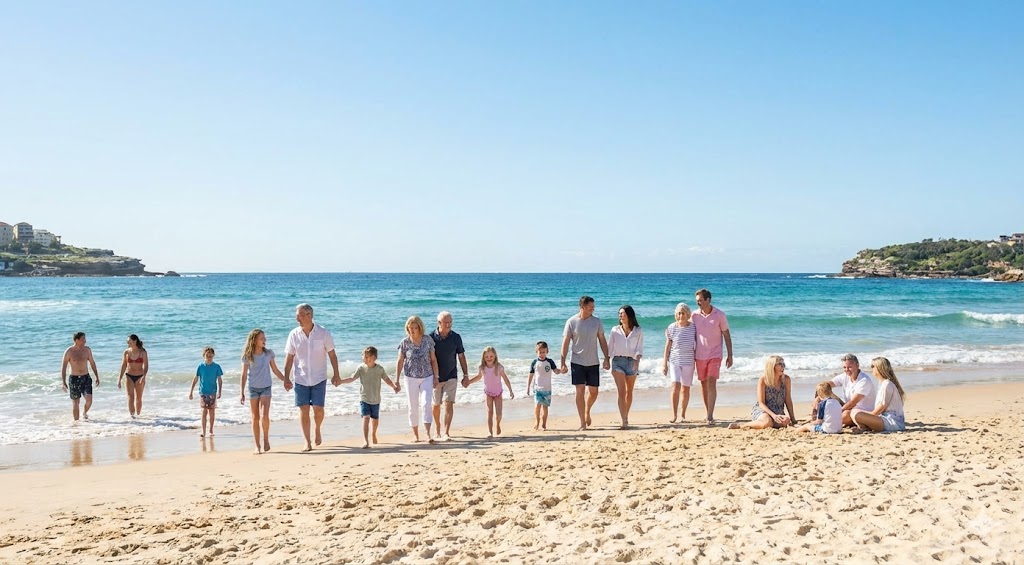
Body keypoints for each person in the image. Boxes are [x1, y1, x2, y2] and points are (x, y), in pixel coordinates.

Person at [283, 303, 341, 452]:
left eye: (300, 315)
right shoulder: (293, 334)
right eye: (297, 315)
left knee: (318, 410)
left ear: (310, 315)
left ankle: (317, 429)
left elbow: (332, 355)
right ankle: (307, 441)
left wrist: (336, 374)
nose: (297, 318)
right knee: (303, 409)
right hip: (300, 378)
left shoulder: (323, 333)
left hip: (319, 378)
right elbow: (289, 358)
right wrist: (286, 378)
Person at [560, 296, 610, 431]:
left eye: (593, 307)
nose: (593, 309)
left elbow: (602, 340)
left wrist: (606, 358)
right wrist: (563, 362)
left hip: (593, 362)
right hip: (577, 362)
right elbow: (565, 343)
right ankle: (582, 422)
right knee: (580, 391)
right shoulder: (571, 322)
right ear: (582, 307)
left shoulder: (597, 321)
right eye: (590, 307)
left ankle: (587, 410)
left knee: (594, 392)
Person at [240, 329, 292, 454]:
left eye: (264, 338)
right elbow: (243, 374)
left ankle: (266, 440)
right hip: (253, 388)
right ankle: (257, 446)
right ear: (254, 340)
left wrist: (285, 380)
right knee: (255, 417)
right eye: (261, 338)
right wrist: (241, 392)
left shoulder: (268, 354)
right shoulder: (247, 356)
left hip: (266, 387)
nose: (264, 340)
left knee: (264, 416)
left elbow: (275, 370)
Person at [338, 346, 399, 448]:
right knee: (366, 418)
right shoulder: (361, 368)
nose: (364, 358)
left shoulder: (379, 369)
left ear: (374, 357)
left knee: (375, 420)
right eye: (363, 356)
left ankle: (373, 433)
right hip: (364, 398)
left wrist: (393, 386)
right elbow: (352, 378)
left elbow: (387, 379)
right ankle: (366, 441)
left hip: (376, 399)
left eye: (367, 357)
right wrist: (341, 381)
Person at [395, 315, 440, 443]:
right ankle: (415, 435)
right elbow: (400, 361)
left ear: (420, 328)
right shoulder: (404, 342)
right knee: (412, 406)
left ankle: (428, 434)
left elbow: (433, 360)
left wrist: (436, 377)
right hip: (410, 378)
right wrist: (396, 380)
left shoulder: (428, 340)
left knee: (426, 403)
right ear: (407, 329)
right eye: (411, 328)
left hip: (427, 376)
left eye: (415, 327)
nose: (413, 330)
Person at [692, 288, 733, 424]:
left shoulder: (719, 315)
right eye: (697, 301)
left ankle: (710, 415)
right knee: (703, 383)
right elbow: (687, 331)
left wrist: (730, 355)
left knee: (711, 381)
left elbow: (726, 335)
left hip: (715, 354)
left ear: (708, 300)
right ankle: (707, 411)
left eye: (700, 300)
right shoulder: (694, 315)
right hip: (699, 355)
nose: (698, 303)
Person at [430, 311, 470, 441]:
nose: (448, 325)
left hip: (451, 375)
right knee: (436, 404)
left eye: (450, 322)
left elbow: (461, 356)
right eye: (445, 322)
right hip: (435, 377)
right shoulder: (430, 338)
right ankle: (437, 429)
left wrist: (465, 375)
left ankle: (446, 432)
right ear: (439, 323)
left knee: (449, 403)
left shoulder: (456, 337)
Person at [728, 355, 796, 430]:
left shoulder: (786, 379)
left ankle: (766, 423)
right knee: (767, 422)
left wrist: (793, 420)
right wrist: (773, 415)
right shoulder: (763, 379)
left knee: (786, 420)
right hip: (763, 410)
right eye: (780, 364)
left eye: (783, 364)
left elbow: (788, 400)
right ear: (772, 366)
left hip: (778, 411)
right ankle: (741, 425)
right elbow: (761, 403)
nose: (783, 367)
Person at [466, 346, 514, 438]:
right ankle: (490, 432)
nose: (489, 358)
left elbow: (506, 379)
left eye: (491, 356)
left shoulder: (499, 367)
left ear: (495, 356)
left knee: (499, 414)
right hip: (488, 393)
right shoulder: (482, 368)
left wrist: (510, 390)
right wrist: (469, 382)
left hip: (498, 393)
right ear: (483, 358)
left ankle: (498, 424)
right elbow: (478, 377)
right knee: (489, 412)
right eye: (486, 357)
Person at [608, 305, 644, 429]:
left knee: (629, 391)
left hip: (632, 362)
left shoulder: (638, 330)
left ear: (629, 315)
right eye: (619, 313)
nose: (620, 315)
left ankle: (626, 416)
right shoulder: (615, 330)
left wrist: (637, 361)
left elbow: (639, 348)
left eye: (622, 313)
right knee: (621, 391)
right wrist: (606, 360)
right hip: (618, 361)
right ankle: (623, 420)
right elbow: (610, 346)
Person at [851, 357, 907, 432]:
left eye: (873, 366)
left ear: (880, 368)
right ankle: (865, 427)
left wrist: (870, 415)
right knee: (854, 412)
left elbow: (882, 406)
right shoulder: (882, 383)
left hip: (892, 422)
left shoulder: (887, 384)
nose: (871, 368)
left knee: (857, 414)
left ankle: (865, 427)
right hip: (884, 418)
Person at [662, 302, 696, 423]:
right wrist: (664, 363)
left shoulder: (693, 327)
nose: (681, 315)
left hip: (689, 361)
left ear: (688, 314)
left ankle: (683, 415)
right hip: (674, 360)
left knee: (685, 389)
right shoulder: (672, 327)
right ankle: (674, 415)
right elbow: (667, 346)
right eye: (679, 313)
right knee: (675, 386)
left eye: (683, 313)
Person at [822, 353, 876, 427]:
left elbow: (852, 403)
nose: (846, 370)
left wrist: (835, 413)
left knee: (845, 415)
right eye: (844, 367)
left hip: (862, 412)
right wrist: (818, 397)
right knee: (823, 389)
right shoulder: (845, 376)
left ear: (857, 366)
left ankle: (826, 420)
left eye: (849, 367)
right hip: (850, 408)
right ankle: (821, 417)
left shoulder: (864, 380)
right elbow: (826, 385)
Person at [60, 331, 100, 421]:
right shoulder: (69, 351)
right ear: (76, 340)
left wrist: (97, 376)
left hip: (86, 377)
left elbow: (92, 363)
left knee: (89, 400)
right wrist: (63, 382)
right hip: (74, 379)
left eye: (85, 339)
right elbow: (63, 367)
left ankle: (84, 412)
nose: (85, 341)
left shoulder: (87, 350)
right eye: (83, 339)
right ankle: (77, 423)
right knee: (76, 402)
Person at [526, 341, 565, 431]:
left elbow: (555, 371)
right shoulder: (534, 362)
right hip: (537, 388)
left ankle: (544, 424)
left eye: (543, 352)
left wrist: (561, 371)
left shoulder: (550, 362)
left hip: (547, 389)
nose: (542, 354)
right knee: (537, 406)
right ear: (536, 352)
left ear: (547, 351)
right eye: (540, 352)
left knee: (545, 407)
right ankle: (537, 421)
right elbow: (531, 375)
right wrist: (528, 387)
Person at [189, 346, 223, 437]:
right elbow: (195, 379)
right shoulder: (200, 366)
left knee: (211, 411)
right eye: (207, 356)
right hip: (203, 392)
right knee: (204, 411)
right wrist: (191, 391)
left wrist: (220, 391)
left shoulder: (216, 367)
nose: (209, 358)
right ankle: (203, 431)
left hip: (212, 392)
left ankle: (211, 430)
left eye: (210, 356)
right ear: (204, 356)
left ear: (213, 356)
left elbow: (220, 380)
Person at [117, 334, 149, 418]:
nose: (128, 344)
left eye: (129, 342)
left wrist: (144, 377)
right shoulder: (126, 352)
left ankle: (138, 416)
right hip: (129, 376)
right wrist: (119, 379)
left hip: (140, 377)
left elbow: (146, 366)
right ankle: (132, 417)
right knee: (130, 397)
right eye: (127, 342)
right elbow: (123, 365)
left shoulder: (143, 352)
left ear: (135, 341)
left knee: (138, 398)